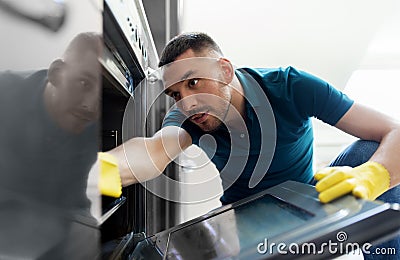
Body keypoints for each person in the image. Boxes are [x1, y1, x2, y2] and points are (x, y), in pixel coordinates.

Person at [110, 32, 400, 259]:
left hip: (305, 195)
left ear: (225, 71)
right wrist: (107, 167)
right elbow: (154, 150)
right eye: (175, 94)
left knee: (367, 150)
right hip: (244, 217)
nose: (186, 102)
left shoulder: (290, 86)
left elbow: (394, 130)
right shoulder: (188, 116)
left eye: (194, 82)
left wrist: (375, 175)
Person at [0, 32, 103, 259]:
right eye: (84, 83)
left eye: (103, 93)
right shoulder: (5, 96)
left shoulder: (94, 127)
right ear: (56, 74)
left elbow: (76, 203)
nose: (91, 106)